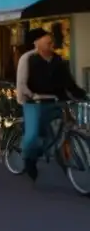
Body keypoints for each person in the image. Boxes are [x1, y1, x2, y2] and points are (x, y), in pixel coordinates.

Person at [16, 27, 87, 180]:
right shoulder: (27, 58)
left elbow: (68, 81)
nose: (51, 43)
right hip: (33, 102)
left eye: (51, 41)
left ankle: (56, 153)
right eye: (47, 40)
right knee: (32, 135)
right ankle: (29, 159)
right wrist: (32, 95)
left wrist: (81, 94)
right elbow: (21, 84)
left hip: (54, 100)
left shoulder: (57, 60)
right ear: (37, 43)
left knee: (62, 128)